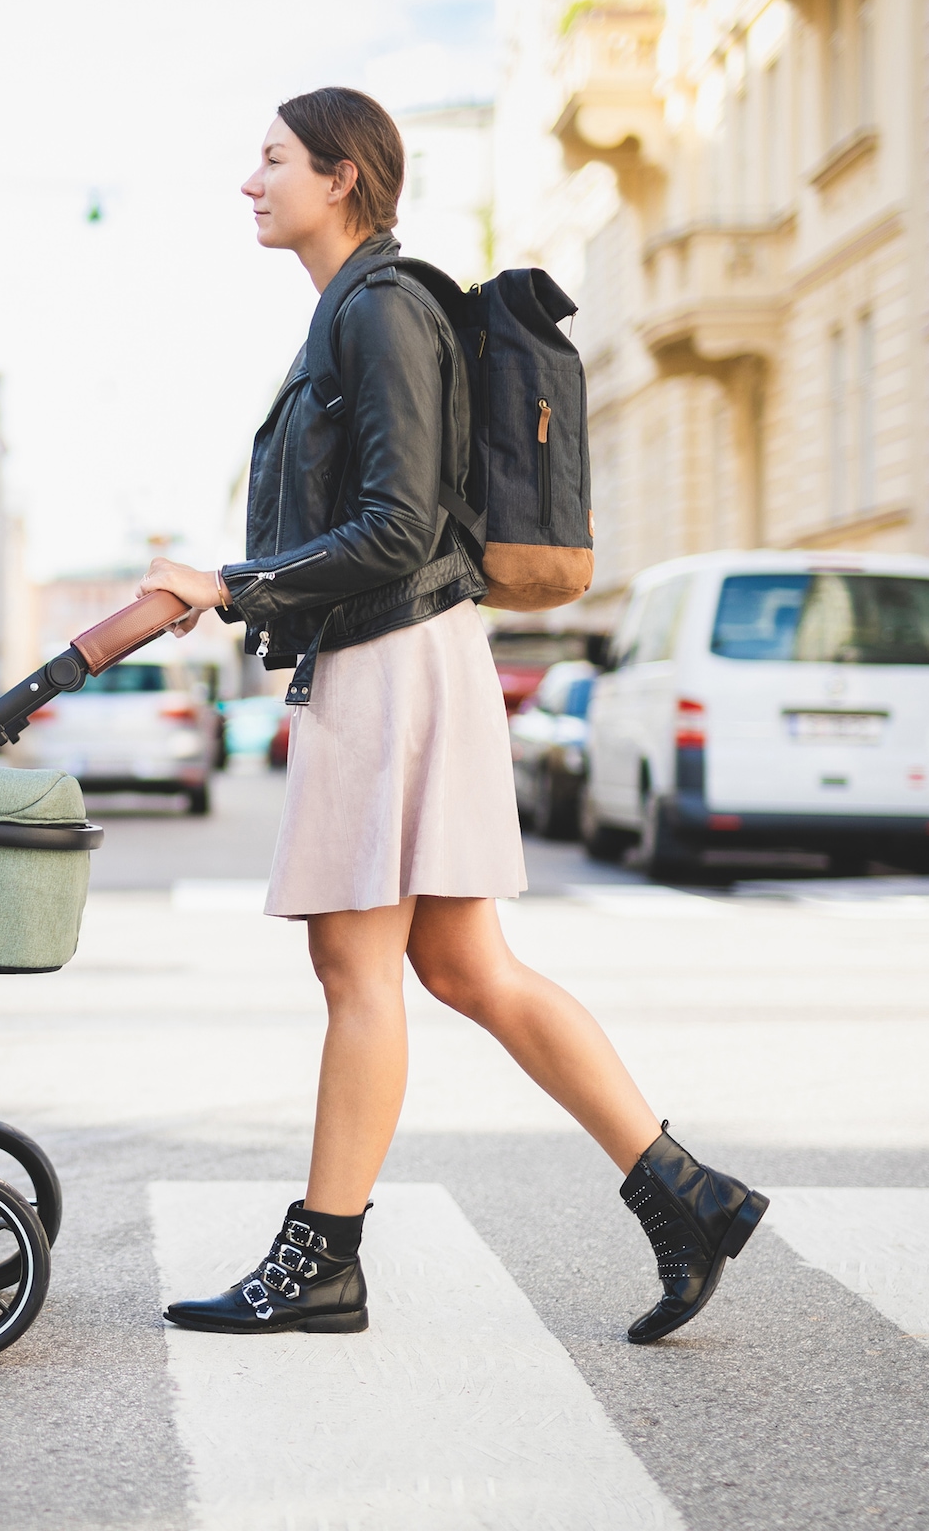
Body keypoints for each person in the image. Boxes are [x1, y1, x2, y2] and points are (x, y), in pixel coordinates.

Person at [142, 88, 766, 1344]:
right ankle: (683, 1193)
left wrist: (231, 586)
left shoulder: (379, 310)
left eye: (271, 158)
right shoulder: (361, 309)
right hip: (403, 654)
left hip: (395, 662)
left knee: (359, 965)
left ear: (344, 176)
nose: (249, 181)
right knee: (462, 964)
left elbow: (402, 525)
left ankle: (322, 1259)